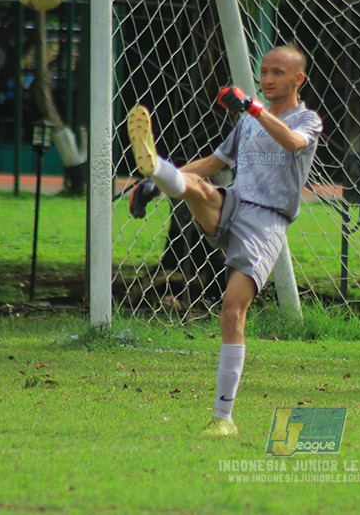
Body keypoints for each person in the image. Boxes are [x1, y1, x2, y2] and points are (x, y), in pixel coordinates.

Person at [128, 44, 322, 438]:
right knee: (197, 186)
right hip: (233, 202)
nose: (268, 79)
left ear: (298, 79)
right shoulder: (250, 122)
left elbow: (291, 143)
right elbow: (214, 163)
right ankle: (158, 172)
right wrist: (155, 186)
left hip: (266, 223)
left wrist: (252, 107)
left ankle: (223, 418)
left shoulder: (307, 120)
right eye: (264, 72)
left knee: (232, 311)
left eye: (278, 73)